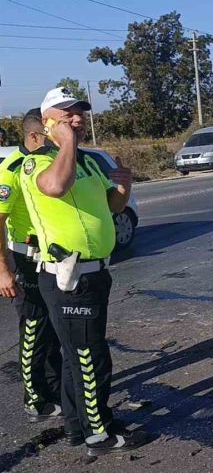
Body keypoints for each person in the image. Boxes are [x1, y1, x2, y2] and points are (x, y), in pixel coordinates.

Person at [20, 87, 152, 456]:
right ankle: (100, 433)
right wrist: (63, 143)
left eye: (80, 113)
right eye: (67, 115)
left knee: (75, 353)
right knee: (90, 356)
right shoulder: (39, 162)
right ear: (48, 122)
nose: (77, 120)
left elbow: (111, 205)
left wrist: (123, 186)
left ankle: (78, 427)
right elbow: (55, 187)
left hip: (95, 273)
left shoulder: (89, 162)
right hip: (69, 276)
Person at [0, 108, 63, 422]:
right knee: (33, 328)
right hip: (23, 259)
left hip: (50, 257)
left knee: (52, 327)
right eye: (50, 131)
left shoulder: (51, 160)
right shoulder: (10, 168)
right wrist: (3, 271)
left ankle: (55, 387)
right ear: (35, 135)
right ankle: (35, 398)